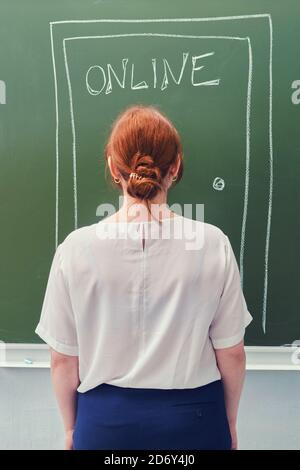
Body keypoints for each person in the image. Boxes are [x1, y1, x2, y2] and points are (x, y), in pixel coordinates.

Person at [35, 105, 253, 450]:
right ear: (176, 167)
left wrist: (71, 429)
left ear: (112, 167)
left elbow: (62, 358)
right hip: (196, 423)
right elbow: (232, 353)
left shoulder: (75, 249)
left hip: (104, 424)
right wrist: (229, 424)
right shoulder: (213, 244)